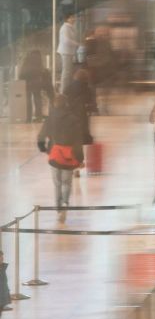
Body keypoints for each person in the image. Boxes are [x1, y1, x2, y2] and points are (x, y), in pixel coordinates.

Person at [37, 95, 86, 224]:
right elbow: (78, 141)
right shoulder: (74, 120)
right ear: (66, 104)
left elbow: (41, 136)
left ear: (54, 104)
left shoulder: (50, 119)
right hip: (69, 156)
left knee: (57, 184)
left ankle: (58, 208)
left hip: (54, 154)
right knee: (67, 183)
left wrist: (44, 149)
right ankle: (65, 204)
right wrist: (80, 159)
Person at [57, 13, 79, 91]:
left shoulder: (70, 27)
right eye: (72, 17)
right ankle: (63, 91)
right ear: (67, 19)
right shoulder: (65, 28)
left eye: (74, 17)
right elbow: (66, 41)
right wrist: (77, 44)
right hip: (66, 52)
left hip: (69, 52)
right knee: (66, 72)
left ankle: (66, 90)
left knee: (68, 72)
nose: (74, 19)